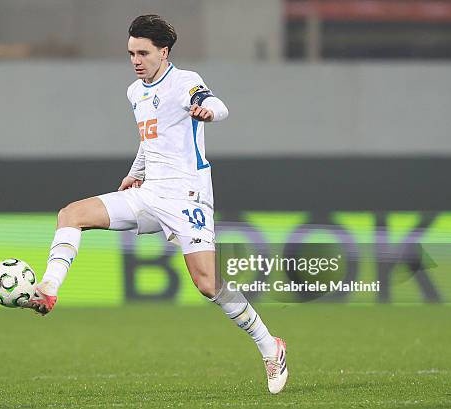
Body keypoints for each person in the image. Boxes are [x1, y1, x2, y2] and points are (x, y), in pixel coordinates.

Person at [24, 14, 288, 394]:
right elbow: (150, 140)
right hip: (149, 193)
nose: (136, 60)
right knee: (71, 214)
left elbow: (216, 104)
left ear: (163, 52)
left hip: (187, 196)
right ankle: (49, 288)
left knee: (207, 284)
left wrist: (209, 111)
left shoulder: (185, 82)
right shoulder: (135, 92)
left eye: (143, 53)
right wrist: (135, 172)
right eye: (131, 53)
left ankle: (270, 345)